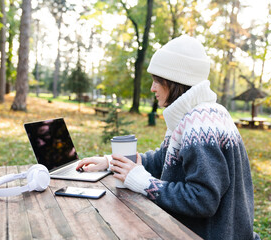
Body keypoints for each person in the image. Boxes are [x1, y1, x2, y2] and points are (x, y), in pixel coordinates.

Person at [77, 35, 260, 240]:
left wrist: (144, 183)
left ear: (174, 81)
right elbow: (162, 160)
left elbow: (202, 200)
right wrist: (111, 162)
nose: (152, 88)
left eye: (157, 81)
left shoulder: (200, 123)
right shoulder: (191, 114)